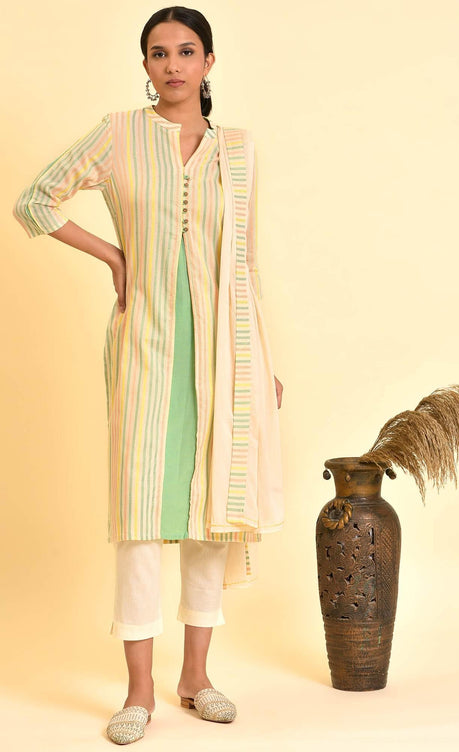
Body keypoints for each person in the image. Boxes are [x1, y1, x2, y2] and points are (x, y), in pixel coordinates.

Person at [13, 5, 284, 745]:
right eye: (159, 53)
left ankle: (196, 678)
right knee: (138, 518)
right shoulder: (119, 134)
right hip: (145, 347)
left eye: (186, 51)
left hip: (225, 353)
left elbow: (247, 263)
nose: (173, 65)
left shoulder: (238, 150)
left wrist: (263, 362)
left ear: (209, 62)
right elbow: (35, 200)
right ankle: (139, 691)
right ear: (144, 65)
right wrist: (113, 255)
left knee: (209, 517)